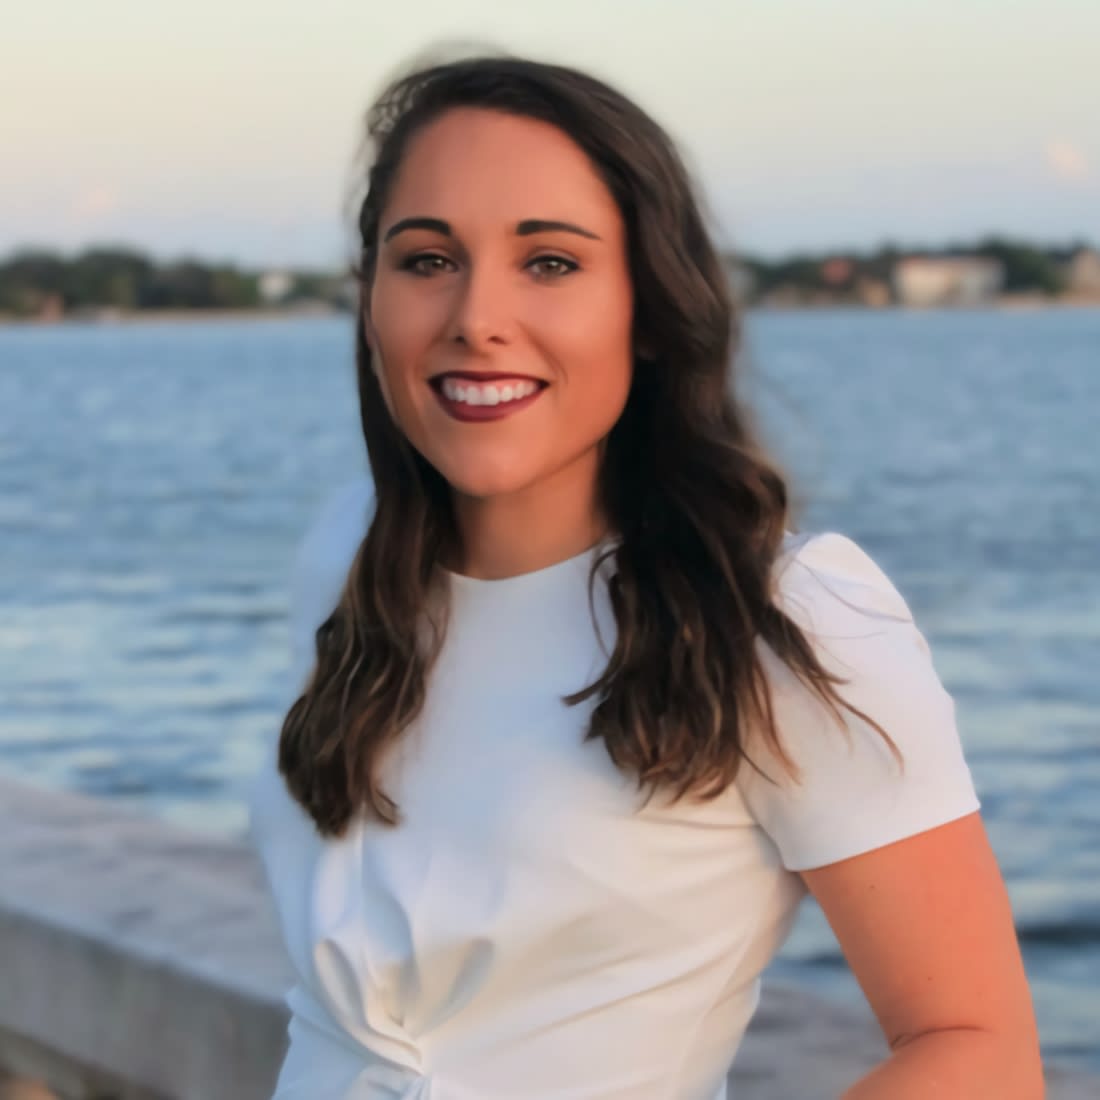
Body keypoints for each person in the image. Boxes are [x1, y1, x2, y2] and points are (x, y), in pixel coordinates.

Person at [247, 54, 1043, 1099]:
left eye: (549, 262)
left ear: (652, 307)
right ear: (371, 298)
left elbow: (978, 1049)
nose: (475, 316)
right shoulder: (349, 557)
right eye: (428, 259)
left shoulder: (776, 617)